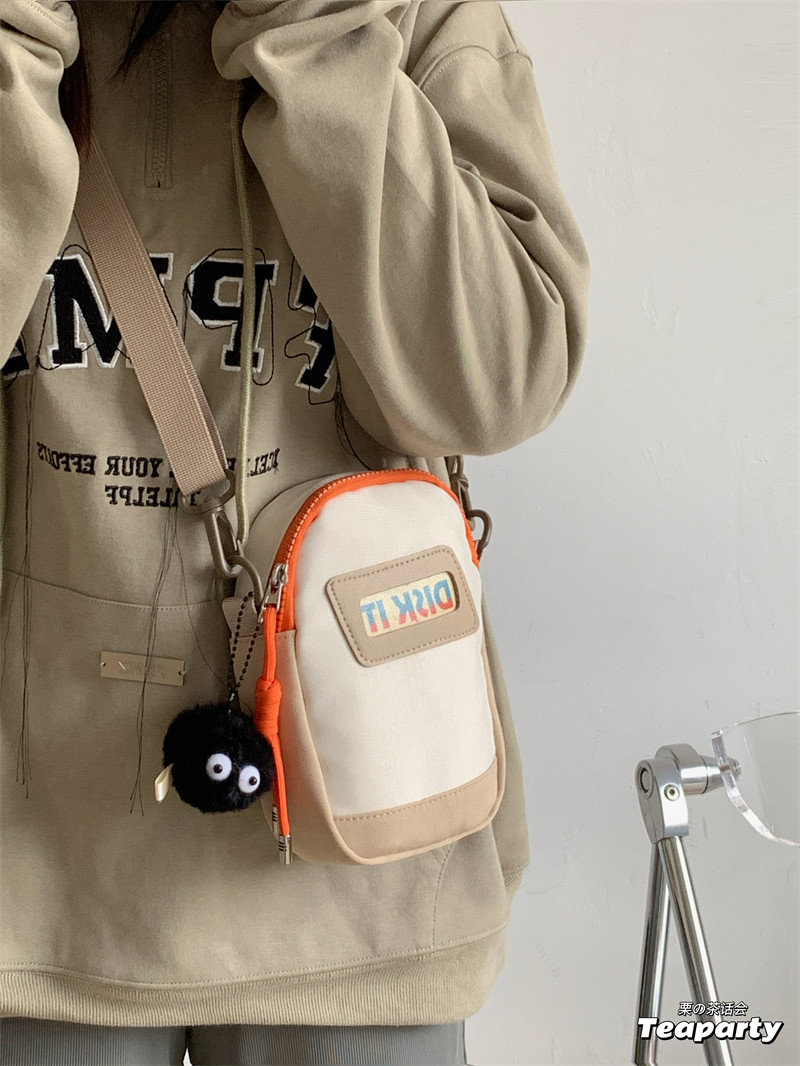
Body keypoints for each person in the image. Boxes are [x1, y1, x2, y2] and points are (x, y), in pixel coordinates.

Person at [0, 1, 591, 1063]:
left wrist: (318, 36)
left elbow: (499, 379)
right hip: (37, 890)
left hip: (358, 875)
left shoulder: (413, 17)